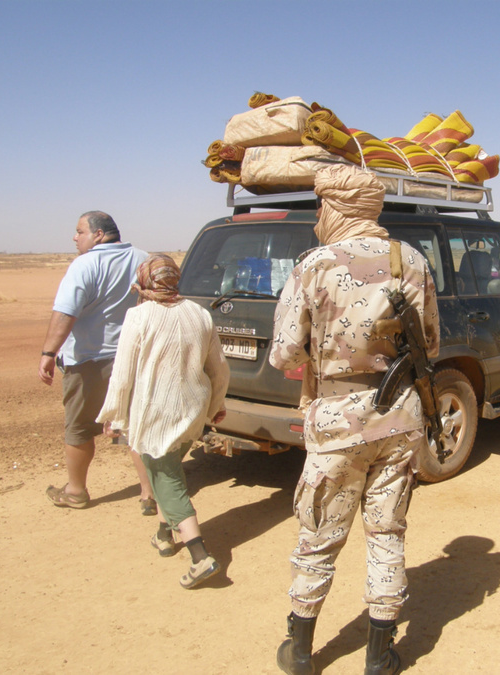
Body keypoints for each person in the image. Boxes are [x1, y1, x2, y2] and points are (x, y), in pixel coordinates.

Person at [270, 164, 439, 675]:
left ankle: (300, 652)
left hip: (338, 423)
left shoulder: (314, 264)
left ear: (337, 208)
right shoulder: (410, 259)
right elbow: (429, 343)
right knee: (387, 532)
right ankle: (379, 654)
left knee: (319, 533)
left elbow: (282, 355)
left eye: (321, 206)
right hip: (400, 416)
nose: (318, 216)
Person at [96, 254, 230, 589]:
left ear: (144, 282)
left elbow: (122, 373)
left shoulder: (139, 316)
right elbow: (219, 368)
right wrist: (215, 406)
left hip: (157, 412)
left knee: (167, 478)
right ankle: (164, 535)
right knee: (164, 470)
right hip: (192, 410)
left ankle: (201, 557)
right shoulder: (199, 313)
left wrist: (113, 413)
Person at [39, 211, 155, 513]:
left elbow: (66, 312)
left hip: (88, 359)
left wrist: (49, 353)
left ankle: (75, 491)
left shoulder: (85, 264)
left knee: (78, 429)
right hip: (132, 357)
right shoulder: (143, 258)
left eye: (79, 231)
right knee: (136, 428)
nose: (75, 238)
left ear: (99, 235)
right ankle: (149, 494)